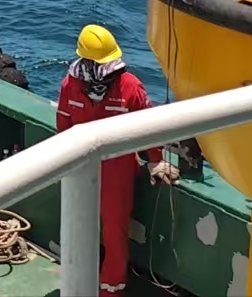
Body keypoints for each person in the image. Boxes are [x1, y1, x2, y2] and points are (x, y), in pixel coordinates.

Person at [56, 24, 179, 295]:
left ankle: (110, 291)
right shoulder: (70, 85)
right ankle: (76, 283)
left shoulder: (129, 85)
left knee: (114, 234)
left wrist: (155, 160)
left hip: (117, 171)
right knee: (78, 227)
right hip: (80, 167)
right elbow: (63, 126)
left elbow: (147, 124)